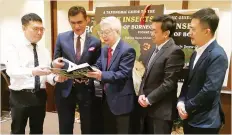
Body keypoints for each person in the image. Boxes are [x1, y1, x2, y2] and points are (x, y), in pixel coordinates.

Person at [5, 13, 66, 134]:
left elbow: (47, 72)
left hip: (40, 95)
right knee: (17, 130)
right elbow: (12, 71)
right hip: (20, 95)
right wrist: (33, 71)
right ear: (24, 28)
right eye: (35, 29)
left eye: (41, 29)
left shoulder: (44, 50)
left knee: (37, 130)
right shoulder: (14, 47)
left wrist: (55, 78)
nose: (39, 33)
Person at [177, 8, 228, 134]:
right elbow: (188, 82)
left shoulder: (218, 55)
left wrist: (187, 107)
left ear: (206, 31)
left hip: (205, 123)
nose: (189, 33)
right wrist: (181, 101)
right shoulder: (196, 53)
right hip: (190, 118)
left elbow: (210, 90)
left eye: (193, 29)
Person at [52, 6, 101, 134]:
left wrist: (89, 72)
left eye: (80, 22)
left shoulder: (95, 41)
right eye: (73, 23)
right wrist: (55, 64)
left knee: (88, 127)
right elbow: (56, 61)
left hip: (86, 90)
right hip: (65, 89)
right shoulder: (61, 38)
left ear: (87, 20)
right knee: (65, 127)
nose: (77, 26)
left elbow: (97, 64)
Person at [87, 16, 136, 134]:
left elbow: (123, 74)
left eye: (106, 32)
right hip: (106, 100)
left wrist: (101, 75)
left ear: (117, 31)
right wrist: (88, 70)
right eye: (101, 32)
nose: (103, 35)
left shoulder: (127, 50)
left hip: (121, 102)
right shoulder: (105, 49)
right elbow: (98, 65)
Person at [138, 15, 185, 134]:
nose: (151, 34)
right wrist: (141, 94)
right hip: (146, 110)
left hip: (161, 113)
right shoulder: (153, 50)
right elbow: (145, 77)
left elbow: (169, 83)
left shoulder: (175, 52)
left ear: (166, 33)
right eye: (151, 30)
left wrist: (149, 99)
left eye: (155, 31)